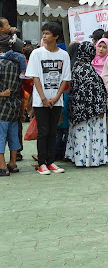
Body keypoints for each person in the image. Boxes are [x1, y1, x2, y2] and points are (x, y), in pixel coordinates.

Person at [26, 22, 71, 175]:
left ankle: (51, 162)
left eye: (47, 33)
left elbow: (65, 78)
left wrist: (56, 97)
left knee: (53, 131)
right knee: (43, 131)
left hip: (57, 100)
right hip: (41, 101)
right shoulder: (36, 53)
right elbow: (36, 77)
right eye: (43, 33)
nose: (44, 36)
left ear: (56, 36)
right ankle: (41, 163)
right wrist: (44, 98)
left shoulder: (64, 55)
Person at [65, 42, 108, 167]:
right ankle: (89, 159)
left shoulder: (77, 67)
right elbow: (93, 91)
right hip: (89, 111)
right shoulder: (86, 69)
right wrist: (100, 108)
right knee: (88, 134)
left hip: (79, 110)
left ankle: (80, 158)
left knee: (80, 135)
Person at [0, 39, 24, 176]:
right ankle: (12, 163)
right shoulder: (20, 66)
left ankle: (2, 166)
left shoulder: (1, 63)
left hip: (2, 106)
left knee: (1, 137)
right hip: (15, 105)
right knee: (13, 136)